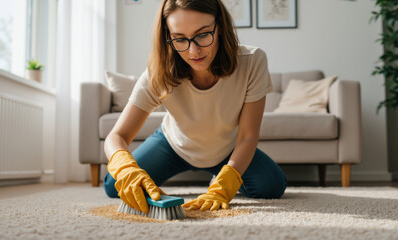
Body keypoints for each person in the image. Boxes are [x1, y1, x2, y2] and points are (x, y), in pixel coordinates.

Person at [103, 0, 287, 213]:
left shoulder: (252, 61)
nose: (193, 51)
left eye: (202, 34)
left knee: (272, 187)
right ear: (167, 37)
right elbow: (116, 136)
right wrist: (126, 169)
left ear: (220, 27)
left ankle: (218, 177)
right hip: (172, 146)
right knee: (114, 186)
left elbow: (247, 137)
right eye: (180, 39)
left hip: (228, 148)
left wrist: (224, 186)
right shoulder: (158, 73)